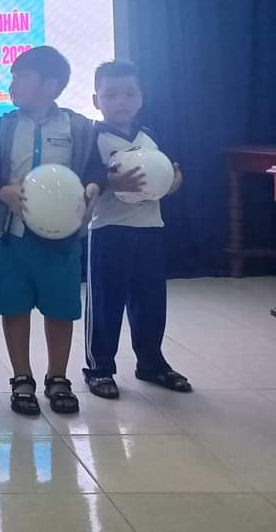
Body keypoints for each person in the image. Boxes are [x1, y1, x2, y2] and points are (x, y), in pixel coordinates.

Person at [0, 46, 106, 416]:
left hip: (61, 239)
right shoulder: (4, 126)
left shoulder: (79, 128)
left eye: (21, 77)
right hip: (12, 236)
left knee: (60, 309)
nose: (12, 85)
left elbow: (95, 169)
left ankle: (58, 377)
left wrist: (94, 187)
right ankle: (22, 378)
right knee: (14, 307)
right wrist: (2, 190)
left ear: (51, 85)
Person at [83, 60, 191, 398]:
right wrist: (110, 181)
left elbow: (162, 176)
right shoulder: (92, 137)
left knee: (150, 300)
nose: (121, 101)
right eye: (111, 94)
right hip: (108, 229)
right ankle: (99, 367)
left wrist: (172, 182)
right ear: (96, 100)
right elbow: (86, 179)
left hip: (149, 228)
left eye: (130, 93)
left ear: (141, 97)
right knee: (106, 302)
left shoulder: (149, 136)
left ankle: (151, 362)